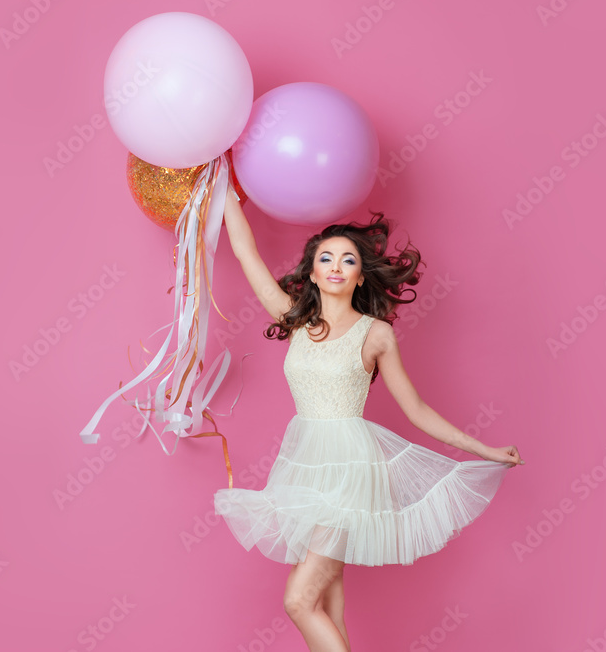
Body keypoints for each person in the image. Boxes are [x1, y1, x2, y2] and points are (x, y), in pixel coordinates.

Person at [212, 188, 524, 652]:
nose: (336, 266)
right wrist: (218, 183)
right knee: (328, 603)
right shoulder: (295, 320)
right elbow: (244, 250)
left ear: (360, 277)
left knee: (299, 600)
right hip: (305, 464)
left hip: (353, 469)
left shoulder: (375, 334)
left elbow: (415, 409)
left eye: (348, 260)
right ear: (312, 273)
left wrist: (485, 450)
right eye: (326, 258)